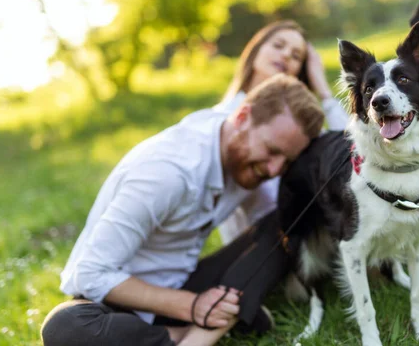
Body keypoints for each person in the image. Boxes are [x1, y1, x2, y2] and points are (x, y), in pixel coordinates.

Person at [40, 75, 325, 346]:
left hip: (184, 285)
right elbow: (90, 274)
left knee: (289, 218)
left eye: (285, 162)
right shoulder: (168, 173)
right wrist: (192, 307)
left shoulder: (247, 157)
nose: (274, 170)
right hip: (115, 301)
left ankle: (197, 332)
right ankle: (204, 330)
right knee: (64, 326)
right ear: (241, 117)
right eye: (271, 150)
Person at [216, 20, 348, 244]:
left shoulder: (295, 131)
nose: (286, 55)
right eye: (278, 45)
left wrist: (323, 89)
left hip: (305, 232)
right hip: (256, 242)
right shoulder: (225, 121)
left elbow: (349, 154)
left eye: (297, 56)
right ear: (255, 51)